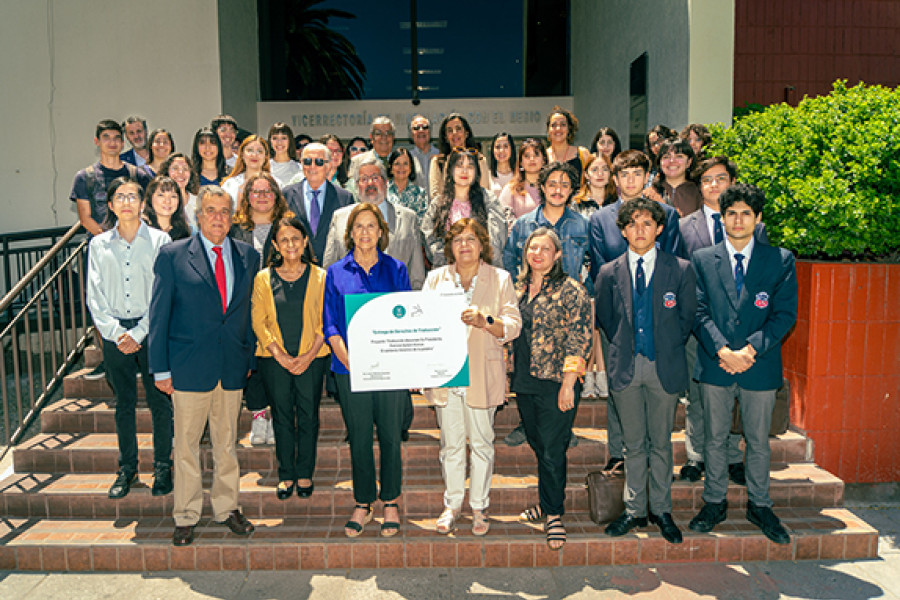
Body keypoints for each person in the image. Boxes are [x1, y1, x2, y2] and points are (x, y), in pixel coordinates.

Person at [149, 185, 260, 547]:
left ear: (232, 217)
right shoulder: (173, 255)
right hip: (188, 367)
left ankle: (227, 508)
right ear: (198, 217)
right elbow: (159, 315)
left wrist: (248, 356)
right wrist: (160, 368)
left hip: (231, 367)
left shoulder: (247, 255)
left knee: (227, 444)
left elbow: (247, 312)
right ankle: (186, 515)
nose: (217, 218)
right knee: (186, 446)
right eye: (210, 210)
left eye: (224, 211)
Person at [688, 183, 797, 546]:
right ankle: (714, 502)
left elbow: (784, 314)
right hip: (715, 364)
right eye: (731, 213)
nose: (738, 220)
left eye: (745, 214)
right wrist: (722, 350)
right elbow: (697, 311)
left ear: (758, 218)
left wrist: (750, 350)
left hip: (759, 365)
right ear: (722, 218)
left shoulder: (780, 259)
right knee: (714, 438)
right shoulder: (703, 259)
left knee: (758, 441)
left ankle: (760, 505)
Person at [596, 198, 697, 545]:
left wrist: (663, 345)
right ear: (623, 231)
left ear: (659, 228)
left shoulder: (680, 269)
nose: (639, 230)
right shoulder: (608, 273)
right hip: (626, 366)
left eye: (647, 223)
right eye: (632, 224)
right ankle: (634, 509)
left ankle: (662, 510)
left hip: (662, 367)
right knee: (633, 444)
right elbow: (607, 319)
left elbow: (685, 319)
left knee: (661, 443)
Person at [423, 219, 522, 536]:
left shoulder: (500, 278)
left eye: (471, 239)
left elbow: (513, 325)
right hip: (447, 374)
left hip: (482, 371)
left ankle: (479, 507)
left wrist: (486, 320)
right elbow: (423, 325)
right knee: (450, 445)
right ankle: (452, 505)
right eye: (457, 240)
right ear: (449, 247)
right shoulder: (435, 278)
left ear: (482, 245)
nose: (464, 245)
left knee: (481, 443)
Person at [587, 149, 682, 472]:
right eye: (624, 174)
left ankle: (652, 458)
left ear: (647, 177)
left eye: (637, 174)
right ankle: (618, 452)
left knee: (654, 392)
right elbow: (600, 269)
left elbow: (675, 265)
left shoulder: (667, 215)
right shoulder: (600, 218)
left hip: (659, 318)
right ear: (615, 179)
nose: (630, 180)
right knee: (620, 388)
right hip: (616, 317)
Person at [676, 156, 768, 484]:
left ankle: (730, 457)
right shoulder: (683, 226)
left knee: (733, 392)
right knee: (698, 393)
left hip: (740, 328)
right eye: (707, 180)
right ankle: (696, 455)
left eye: (721, 178)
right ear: (699, 187)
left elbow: (761, 275)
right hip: (698, 325)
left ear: (732, 182)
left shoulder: (756, 227)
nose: (713, 185)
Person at [322, 203, 412, 538]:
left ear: (381, 232)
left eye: (371, 225)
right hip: (349, 368)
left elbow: (406, 315)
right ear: (349, 233)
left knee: (390, 435)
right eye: (358, 226)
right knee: (359, 437)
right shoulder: (336, 272)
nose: (365, 232)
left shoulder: (396, 269)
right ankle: (363, 501)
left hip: (389, 369)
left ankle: (390, 500)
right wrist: (346, 356)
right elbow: (329, 322)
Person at [87, 177, 173, 500]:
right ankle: (128, 469)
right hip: (115, 334)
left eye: (132, 196)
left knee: (159, 402)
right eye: (120, 197)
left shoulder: (160, 240)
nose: (126, 202)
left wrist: (138, 332)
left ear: (142, 203)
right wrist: (116, 333)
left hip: (152, 330)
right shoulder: (98, 245)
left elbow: (163, 293)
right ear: (110, 205)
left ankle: (163, 466)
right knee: (123, 404)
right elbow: (94, 295)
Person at [511, 228, 591, 551]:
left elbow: (579, 338)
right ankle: (546, 503)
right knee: (538, 443)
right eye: (533, 248)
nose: (538, 254)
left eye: (545, 249)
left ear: (557, 255)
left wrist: (569, 383)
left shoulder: (571, 290)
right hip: (525, 380)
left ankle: (554, 514)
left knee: (552, 449)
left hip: (557, 382)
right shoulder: (517, 288)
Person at [251, 216, 330, 500]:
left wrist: (308, 355)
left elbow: (326, 319)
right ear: (275, 245)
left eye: (296, 238)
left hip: (313, 357)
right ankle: (286, 474)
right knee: (282, 416)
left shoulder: (321, 277)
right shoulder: (263, 278)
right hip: (274, 360)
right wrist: (280, 355)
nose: (290, 244)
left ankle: (305, 472)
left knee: (308, 416)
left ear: (305, 241)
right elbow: (259, 321)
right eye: (283, 240)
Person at [230, 172, 296, 445]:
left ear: (276, 196)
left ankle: (279, 416)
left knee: (276, 361)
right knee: (253, 362)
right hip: (243, 308)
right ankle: (258, 416)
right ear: (247, 197)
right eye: (255, 192)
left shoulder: (287, 226)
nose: (262, 197)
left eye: (267, 191)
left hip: (280, 305)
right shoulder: (235, 229)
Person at [323, 157, 425, 288]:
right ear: (357, 185)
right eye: (364, 179)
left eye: (375, 178)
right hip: (352, 298)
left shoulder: (408, 218)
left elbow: (417, 274)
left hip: (396, 298)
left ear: (386, 182)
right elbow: (329, 269)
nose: (370, 183)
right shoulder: (340, 218)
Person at [422, 148, 507, 268]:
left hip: (483, 269)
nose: (464, 171)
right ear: (451, 170)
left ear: (476, 172)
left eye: (470, 167)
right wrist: (451, 260)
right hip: (447, 270)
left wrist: (475, 261)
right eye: (459, 166)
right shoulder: (438, 203)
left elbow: (496, 241)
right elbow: (430, 239)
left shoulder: (489, 200)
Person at [70, 120, 152, 237]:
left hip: (135, 241)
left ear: (122, 143)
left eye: (116, 138)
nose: (112, 142)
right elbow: (85, 219)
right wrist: (110, 241)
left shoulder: (138, 175)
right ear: (97, 141)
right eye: (106, 137)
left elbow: (147, 211)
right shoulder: (85, 177)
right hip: (101, 243)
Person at [283, 142, 354, 262]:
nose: (312, 166)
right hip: (296, 267)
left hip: (331, 267)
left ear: (328, 166)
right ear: (301, 164)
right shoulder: (286, 195)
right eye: (307, 161)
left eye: (319, 162)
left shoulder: (345, 198)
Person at [347, 116, 423, 194]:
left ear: (393, 137)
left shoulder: (407, 161)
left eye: (388, 133)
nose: (384, 137)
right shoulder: (357, 161)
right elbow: (352, 191)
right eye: (378, 133)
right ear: (371, 137)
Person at [428, 113, 491, 199]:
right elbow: (435, 195)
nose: (454, 133)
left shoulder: (479, 160)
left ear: (466, 133)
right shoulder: (438, 162)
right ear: (446, 137)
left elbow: (484, 191)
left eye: (458, 129)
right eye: (450, 130)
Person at [645, 138, 702, 218]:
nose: (672, 161)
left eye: (679, 156)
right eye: (666, 157)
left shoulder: (699, 193)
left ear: (689, 162)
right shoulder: (648, 194)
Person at [498, 138, 548, 227]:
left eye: (536, 155)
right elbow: (503, 220)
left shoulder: (551, 188)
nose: (532, 159)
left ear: (544, 160)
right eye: (527, 156)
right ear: (521, 162)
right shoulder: (511, 189)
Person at [221, 135, 272, 208]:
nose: (254, 155)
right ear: (242, 154)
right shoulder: (230, 184)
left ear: (266, 156)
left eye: (259, 151)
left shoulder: (276, 184)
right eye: (250, 150)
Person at [545, 106, 591, 182]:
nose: (558, 129)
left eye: (563, 125)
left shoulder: (583, 154)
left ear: (569, 128)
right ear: (548, 130)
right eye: (554, 125)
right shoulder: (542, 156)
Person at [159, 152, 200, 232]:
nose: (180, 172)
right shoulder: (158, 203)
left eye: (185, 169)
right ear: (166, 172)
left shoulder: (199, 202)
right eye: (175, 168)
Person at [143, 175, 191, 241]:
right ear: (150, 198)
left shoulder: (185, 232)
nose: (167, 201)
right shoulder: (141, 228)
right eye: (161, 195)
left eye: (173, 196)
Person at [386, 147, 428, 222]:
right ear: (391, 168)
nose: (401, 167)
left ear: (411, 167)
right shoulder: (383, 191)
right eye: (397, 164)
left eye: (405, 163)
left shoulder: (420, 193)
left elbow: (423, 222)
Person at [407, 114, 440, 187]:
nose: (421, 130)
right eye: (416, 128)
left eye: (425, 127)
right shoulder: (407, 158)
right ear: (411, 134)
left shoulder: (440, 155)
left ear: (430, 132)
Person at [268, 122, 303, 187]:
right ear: (270, 141)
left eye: (283, 138)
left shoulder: (299, 168)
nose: (279, 142)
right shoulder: (264, 167)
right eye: (275, 138)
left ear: (290, 141)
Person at [488, 132, 516, 199]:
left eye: (505, 146)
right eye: (497, 147)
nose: (501, 150)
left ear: (512, 149)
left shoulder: (519, 175)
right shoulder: (487, 176)